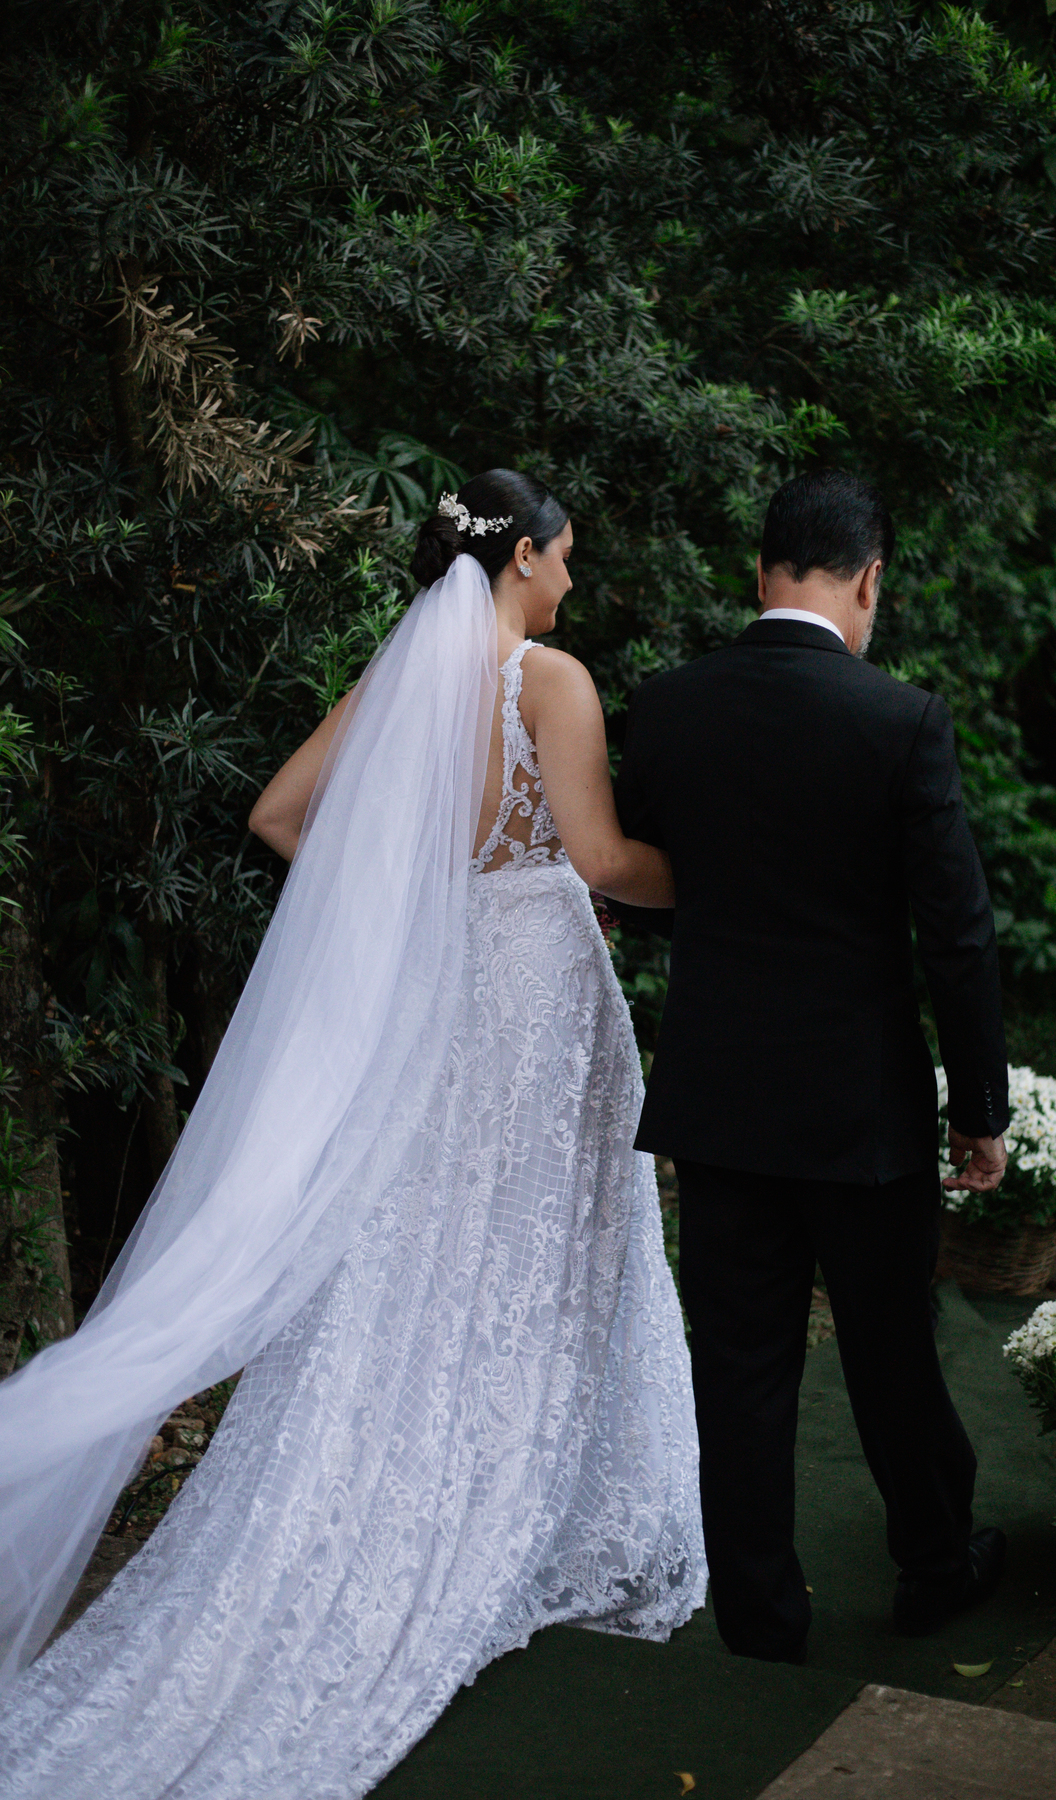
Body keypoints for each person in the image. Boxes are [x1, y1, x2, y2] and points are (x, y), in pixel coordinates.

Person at [0, 472, 705, 1798]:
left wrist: (399, 890)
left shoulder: (405, 680)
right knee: (543, 1250)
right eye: (566, 555)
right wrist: (724, 880)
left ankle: (406, 1489)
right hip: (539, 994)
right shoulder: (550, 680)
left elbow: (277, 816)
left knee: (426, 1244)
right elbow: (608, 861)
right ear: (523, 558)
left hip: (436, 997)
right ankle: (515, 1498)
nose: (573, 576)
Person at [613, 468, 1010, 1661]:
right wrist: (979, 1108)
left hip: (721, 1100)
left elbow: (647, 883)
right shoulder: (900, 721)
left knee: (738, 1367)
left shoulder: (670, 706)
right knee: (891, 1350)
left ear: (760, 571)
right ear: (869, 580)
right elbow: (957, 935)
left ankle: (761, 1624)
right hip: (859, 1108)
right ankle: (934, 1567)